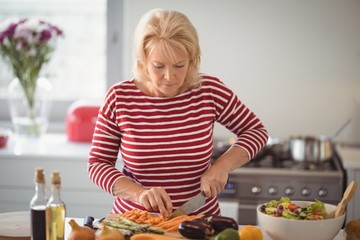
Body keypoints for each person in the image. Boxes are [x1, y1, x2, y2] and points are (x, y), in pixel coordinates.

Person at [88, 8, 269, 219]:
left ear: (192, 59)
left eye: (179, 65)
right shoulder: (120, 98)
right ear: (142, 60)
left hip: (199, 221)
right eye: (158, 66)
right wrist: (139, 194)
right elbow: (98, 164)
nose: (169, 77)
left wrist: (222, 165)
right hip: (135, 223)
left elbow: (256, 131)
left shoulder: (209, 91)